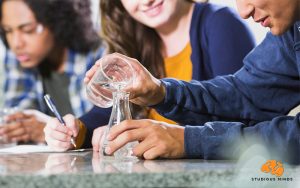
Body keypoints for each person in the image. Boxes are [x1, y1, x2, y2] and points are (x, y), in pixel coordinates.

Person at [47, 0, 300, 162]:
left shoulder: (219, 22)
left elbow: (249, 120)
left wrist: (186, 141)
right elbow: (246, 93)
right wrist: (160, 92)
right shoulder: (291, 31)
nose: (243, 11)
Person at [0, 0, 110, 144]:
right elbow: (18, 114)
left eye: (28, 30)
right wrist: (20, 128)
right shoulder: (20, 56)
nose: (16, 43)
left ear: (57, 21)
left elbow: (104, 122)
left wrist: (47, 130)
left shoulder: (101, 55)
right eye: (8, 30)